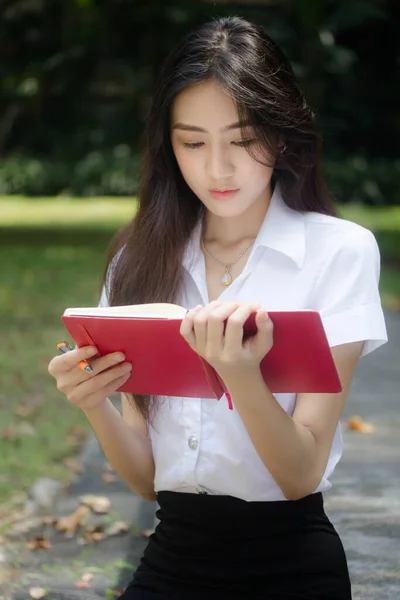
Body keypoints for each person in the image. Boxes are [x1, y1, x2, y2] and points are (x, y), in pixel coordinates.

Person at [48, 16, 388, 600]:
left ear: (280, 135)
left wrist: (239, 375)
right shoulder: (138, 258)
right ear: (168, 145)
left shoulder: (338, 251)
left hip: (291, 566)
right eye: (193, 142)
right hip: (172, 559)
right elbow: (152, 482)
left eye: (241, 139)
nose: (218, 168)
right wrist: (95, 404)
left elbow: (300, 473)